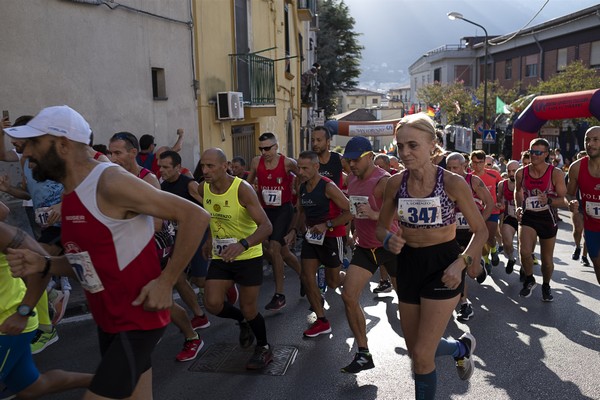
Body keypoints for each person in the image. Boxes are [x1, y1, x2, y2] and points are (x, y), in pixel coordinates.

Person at [5, 105, 210, 399]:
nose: (25, 154)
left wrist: (167, 281)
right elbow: (84, 262)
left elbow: (195, 216)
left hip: (137, 319)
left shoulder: (109, 181)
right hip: (109, 320)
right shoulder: (71, 192)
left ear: (62, 145)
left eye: (33, 144)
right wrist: (45, 263)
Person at [376, 113, 487, 400]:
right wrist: (389, 239)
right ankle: (460, 348)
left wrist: (461, 262)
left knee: (423, 356)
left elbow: (481, 231)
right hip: (409, 264)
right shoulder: (395, 183)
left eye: (413, 145)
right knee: (416, 353)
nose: (405, 153)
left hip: (443, 263)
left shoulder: (452, 183)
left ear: (432, 146)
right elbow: (380, 227)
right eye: (400, 146)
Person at [109, 133, 209, 362]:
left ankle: (192, 336)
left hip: (154, 247)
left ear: (133, 153)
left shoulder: (148, 180)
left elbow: (156, 223)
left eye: (117, 153)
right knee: (139, 296)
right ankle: (150, 332)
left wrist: (121, 218)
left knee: (159, 297)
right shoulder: (115, 179)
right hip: (130, 248)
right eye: (110, 152)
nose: (112, 158)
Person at [0, 212, 93, 398]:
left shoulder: (2, 233)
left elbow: (42, 261)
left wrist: (23, 312)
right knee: (32, 387)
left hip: (7, 325)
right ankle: (109, 380)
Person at [199, 147, 274, 370]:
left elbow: (266, 226)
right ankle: (242, 321)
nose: (205, 170)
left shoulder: (242, 189)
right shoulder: (204, 188)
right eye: (203, 165)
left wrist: (242, 245)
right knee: (212, 303)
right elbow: (213, 218)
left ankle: (263, 347)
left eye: (210, 166)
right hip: (222, 255)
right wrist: (209, 239)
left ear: (225, 166)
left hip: (248, 255)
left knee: (249, 307)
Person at [338, 137, 398, 373]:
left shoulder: (384, 181)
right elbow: (354, 210)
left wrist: (375, 215)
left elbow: (401, 214)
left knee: (408, 303)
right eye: (348, 160)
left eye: (356, 159)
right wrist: (349, 233)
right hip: (365, 248)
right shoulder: (352, 178)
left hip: (389, 246)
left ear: (370, 157)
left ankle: (438, 346)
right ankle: (363, 353)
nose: (351, 164)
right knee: (348, 296)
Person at [287, 151, 351, 337]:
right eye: (298, 167)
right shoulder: (302, 186)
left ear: (316, 167)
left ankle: (348, 277)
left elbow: (350, 212)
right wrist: (293, 230)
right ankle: (322, 320)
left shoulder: (328, 187)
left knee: (332, 282)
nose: (300, 171)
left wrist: (327, 224)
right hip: (311, 238)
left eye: (305, 168)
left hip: (332, 237)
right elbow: (300, 212)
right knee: (307, 277)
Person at [246, 132, 301, 311]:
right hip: (265, 211)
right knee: (283, 253)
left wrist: (296, 189)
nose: (264, 152)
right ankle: (306, 279)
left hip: (283, 210)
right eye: (261, 149)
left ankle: (280, 295)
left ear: (276, 147)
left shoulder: (287, 163)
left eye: (268, 148)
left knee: (274, 249)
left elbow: (303, 176)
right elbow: (246, 185)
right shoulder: (256, 162)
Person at [515, 138, 567, 301]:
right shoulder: (521, 172)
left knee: (546, 261)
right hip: (529, 215)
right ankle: (530, 279)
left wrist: (549, 201)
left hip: (547, 217)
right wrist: (518, 206)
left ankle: (546, 285)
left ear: (546, 154)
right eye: (532, 151)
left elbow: (563, 199)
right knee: (524, 252)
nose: (534, 155)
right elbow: (518, 192)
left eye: (538, 152)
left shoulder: (556, 173)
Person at [445, 152, 493, 322]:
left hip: (472, 233)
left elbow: (490, 203)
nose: (451, 171)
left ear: (464, 167)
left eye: (455, 168)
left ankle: (480, 267)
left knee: (472, 272)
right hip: (453, 233)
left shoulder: (473, 181)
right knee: (460, 268)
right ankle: (464, 303)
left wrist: (479, 223)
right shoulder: (445, 183)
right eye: (449, 168)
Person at [567, 127, 600, 284]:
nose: (590, 144)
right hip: (592, 227)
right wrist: (571, 202)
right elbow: (569, 194)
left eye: (595, 140)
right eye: (587, 139)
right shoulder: (576, 167)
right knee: (598, 266)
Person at [470, 150, 502, 272]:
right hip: (476, 213)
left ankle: (493, 250)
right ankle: (486, 261)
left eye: (480, 162)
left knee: (490, 237)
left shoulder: (494, 174)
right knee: (481, 238)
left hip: (492, 210)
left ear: (485, 162)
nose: (477, 165)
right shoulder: (469, 177)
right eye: (474, 162)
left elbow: (502, 188)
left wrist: (500, 200)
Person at [497, 160, 521, 276]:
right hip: (510, 217)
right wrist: (500, 204)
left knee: (524, 247)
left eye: (514, 171)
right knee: (507, 242)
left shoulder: (526, 183)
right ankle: (511, 259)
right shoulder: (503, 184)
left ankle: (525, 268)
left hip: (525, 219)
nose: (511, 173)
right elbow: (499, 198)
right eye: (509, 171)